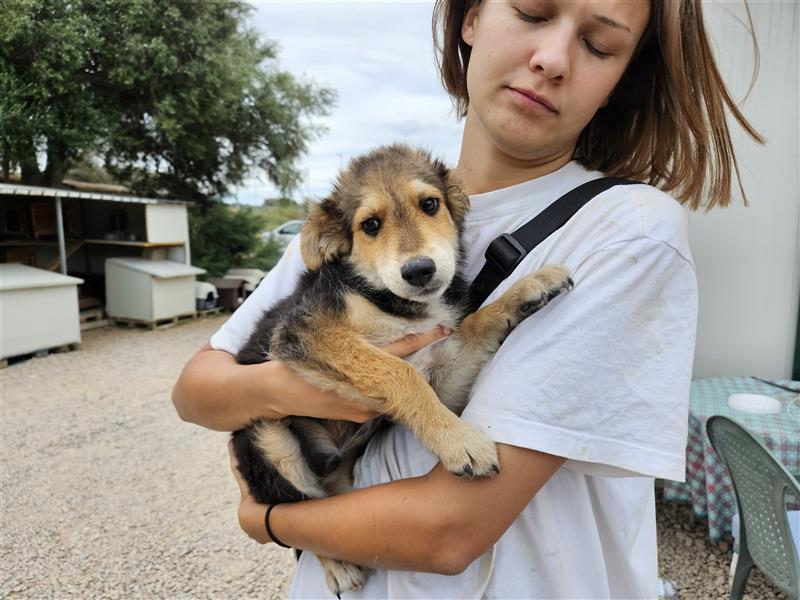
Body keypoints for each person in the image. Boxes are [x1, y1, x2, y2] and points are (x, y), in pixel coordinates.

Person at [172, 0, 762, 597]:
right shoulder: (353, 233)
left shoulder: (628, 230)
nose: (552, 60)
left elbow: (449, 531)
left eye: (599, 45)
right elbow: (195, 391)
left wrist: (269, 521)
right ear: (470, 19)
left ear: (620, 78)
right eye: (532, 12)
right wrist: (305, 390)